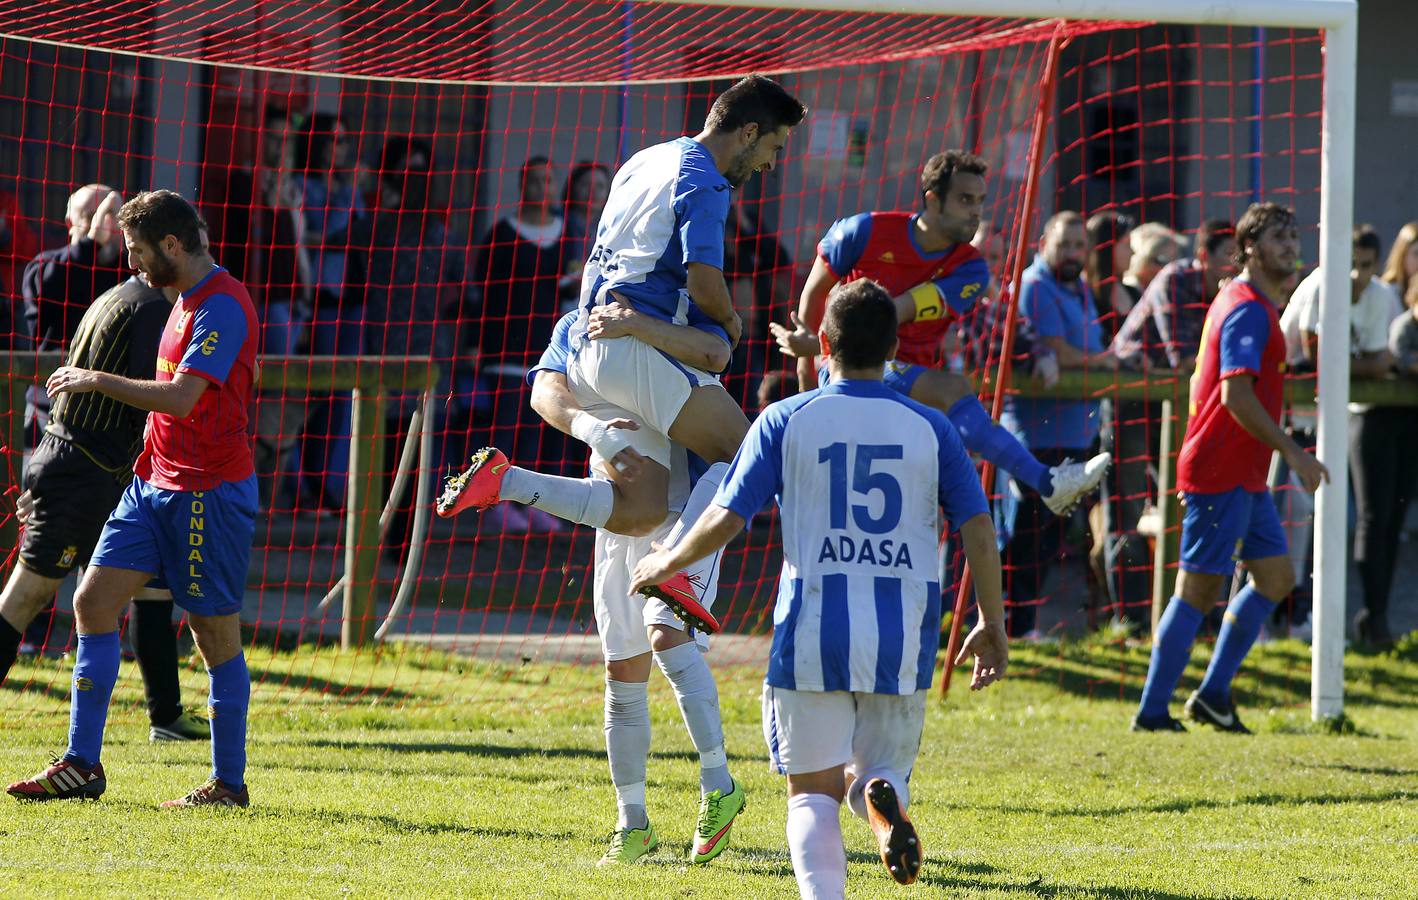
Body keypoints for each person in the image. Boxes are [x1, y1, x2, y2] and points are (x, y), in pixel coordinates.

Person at [629, 280, 1009, 897]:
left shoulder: (786, 417)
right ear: (893, 348)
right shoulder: (932, 428)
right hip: (901, 635)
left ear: (824, 343)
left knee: (810, 793)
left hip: (813, 630)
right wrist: (991, 625)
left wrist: (667, 560)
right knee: (878, 771)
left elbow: (727, 516)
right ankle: (883, 802)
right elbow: (978, 528)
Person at [439, 74, 807, 632]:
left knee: (641, 510)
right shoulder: (705, 181)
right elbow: (704, 281)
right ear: (749, 132)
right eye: (774, 148)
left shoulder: (644, 158)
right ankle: (682, 571)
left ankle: (508, 483)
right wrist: (730, 322)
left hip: (591, 342)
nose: (772, 165)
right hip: (641, 347)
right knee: (748, 454)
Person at [7, 190, 260, 806]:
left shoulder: (221, 306)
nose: (133, 265)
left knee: (212, 633)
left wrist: (93, 379)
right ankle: (81, 764)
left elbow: (179, 398)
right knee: (92, 603)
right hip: (152, 482)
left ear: (173, 246)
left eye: (140, 252)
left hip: (208, 491)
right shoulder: (179, 298)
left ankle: (228, 783)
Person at [770, 152, 1110, 519]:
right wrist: (809, 390)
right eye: (965, 199)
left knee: (962, 512)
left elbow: (892, 311)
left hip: (915, 391)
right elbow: (811, 303)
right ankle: (1047, 483)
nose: (975, 211)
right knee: (953, 392)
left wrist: (816, 342)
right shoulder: (861, 232)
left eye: (980, 201)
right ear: (932, 199)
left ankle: (1040, 490)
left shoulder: (972, 270)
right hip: (853, 371)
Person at [524, 306, 746, 864]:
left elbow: (721, 348)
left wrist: (644, 327)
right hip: (619, 514)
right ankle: (633, 826)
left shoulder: (679, 314)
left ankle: (719, 784)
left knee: (665, 635)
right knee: (621, 668)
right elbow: (544, 389)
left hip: (688, 514)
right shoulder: (576, 324)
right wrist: (590, 425)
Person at [1132, 202, 1329, 734]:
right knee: (1195, 592)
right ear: (1249, 249)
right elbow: (1236, 395)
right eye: (1276, 237)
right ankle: (1151, 712)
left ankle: (1213, 694)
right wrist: (1292, 450)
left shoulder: (1251, 303)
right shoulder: (1245, 308)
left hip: (1242, 474)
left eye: (1293, 234)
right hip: (1219, 471)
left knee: (1276, 576)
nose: (1290, 245)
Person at [0, 271, 210, 742]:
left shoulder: (117, 295)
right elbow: (146, 396)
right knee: (27, 594)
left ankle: (167, 716)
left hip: (92, 470)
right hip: (83, 474)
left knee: (150, 583)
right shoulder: (153, 307)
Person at [18, 184, 128, 650]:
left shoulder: (129, 278)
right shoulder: (47, 266)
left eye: (110, 215)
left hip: (112, 427)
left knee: (107, 530)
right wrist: (89, 246)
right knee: (41, 523)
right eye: (90, 212)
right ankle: (32, 634)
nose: (101, 221)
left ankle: (98, 636)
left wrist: (110, 250)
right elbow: (47, 324)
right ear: (70, 220)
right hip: (51, 421)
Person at [999, 211, 1118, 639]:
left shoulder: (1080, 288)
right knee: (1025, 536)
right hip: (1035, 438)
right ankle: (1009, 626)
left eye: (1078, 246)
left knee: (1049, 539)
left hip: (1074, 434)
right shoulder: (1034, 287)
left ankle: (1023, 626)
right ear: (1043, 243)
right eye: (1063, 244)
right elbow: (1057, 351)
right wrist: (1106, 362)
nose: (1071, 253)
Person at [1293, 226, 1407, 647]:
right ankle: (1283, 616)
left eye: (1365, 266)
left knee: (1326, 516)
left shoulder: (1381, 296)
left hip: (1333, 414)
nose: (1356, 276)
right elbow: (1312, 356)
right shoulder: (1321, 284)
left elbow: (1379, 364)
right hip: (1289, 413)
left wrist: (1342, 362)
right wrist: (1349, 362)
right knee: (1295, 514)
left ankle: (1311, 618)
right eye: (1351, 265)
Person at [469, 155, 568, 468]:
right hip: (505, 349)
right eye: (535, 180)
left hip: (546, 350)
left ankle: (525, 508)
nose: (543, 187)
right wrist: (475, 343)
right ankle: (493, 506)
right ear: (522, 185)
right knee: (503, 433)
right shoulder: (501, 234)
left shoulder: (566, 234)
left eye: (548, 180)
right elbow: (479, 292)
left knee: (535, 434)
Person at [1111, 219, 1238, 371]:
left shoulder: (1232, 290)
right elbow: (1184, 360)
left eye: (1240, 255)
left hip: (1168, 383)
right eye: (1230, 254)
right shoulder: (1175, 280)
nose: (1237, 263)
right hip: (1127, 377)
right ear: (1204, 255)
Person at [1085, 209, 1136, 340]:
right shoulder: (1083, 296)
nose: (1133, 252)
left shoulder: (1134, 293)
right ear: (1106, 248)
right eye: (1127, 245)